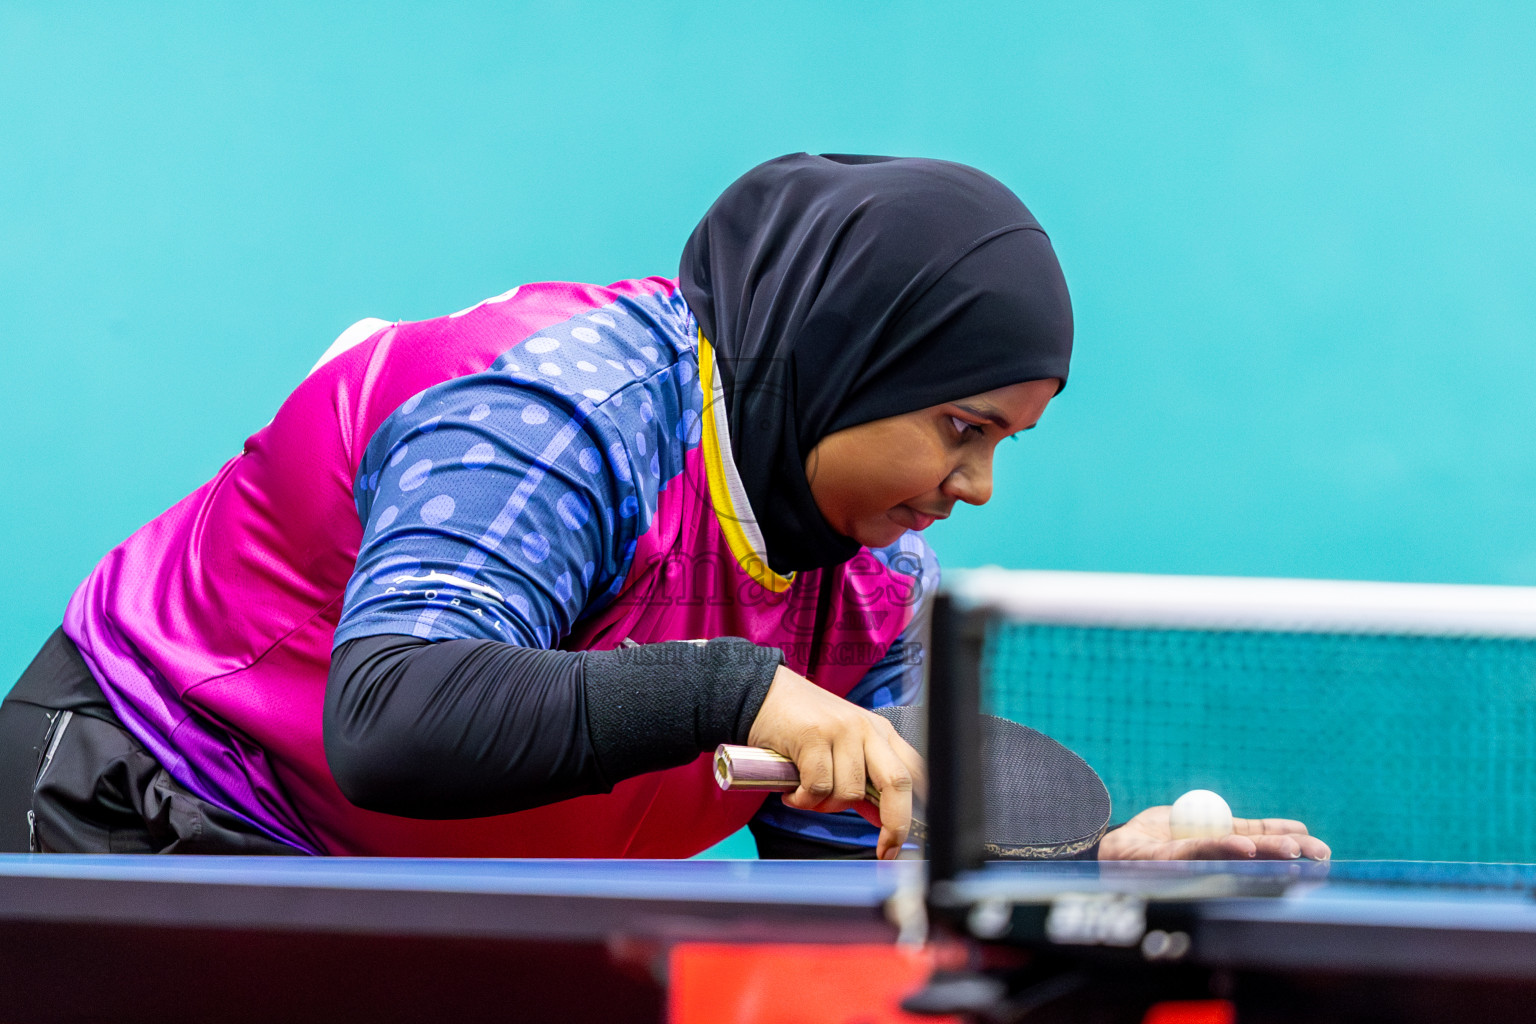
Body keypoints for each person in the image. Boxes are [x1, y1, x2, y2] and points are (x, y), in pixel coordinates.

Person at [0, 153, 1329, 862]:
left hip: (411, 891)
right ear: (853, 361)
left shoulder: (872, 577)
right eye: (962, 430)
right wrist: (727, 689)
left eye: (1005, 446)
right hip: (140, 807)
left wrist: (1082, 890)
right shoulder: (556, 413)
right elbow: (393, 719)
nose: (975, 488)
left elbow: (853, 873)